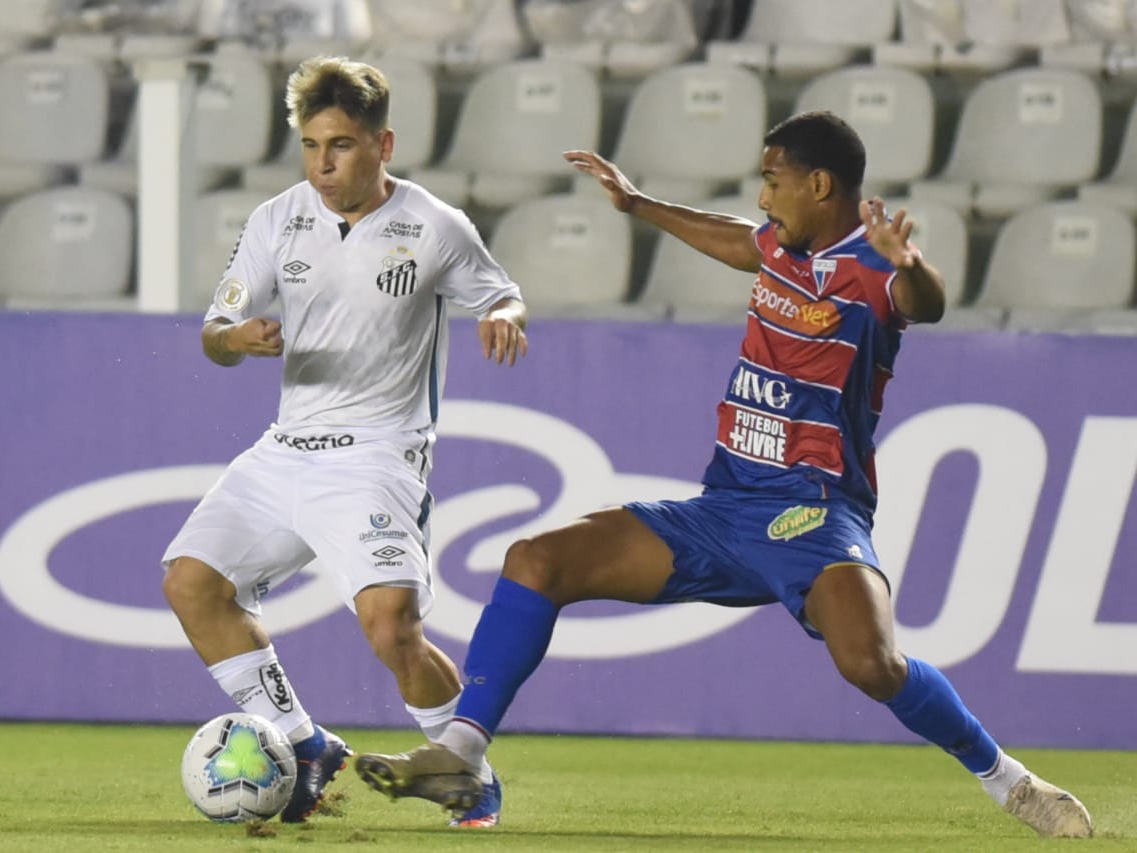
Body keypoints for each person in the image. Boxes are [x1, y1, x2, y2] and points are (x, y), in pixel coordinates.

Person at [353, 111, 1094, 839]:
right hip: (723, 508)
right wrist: (639, 204)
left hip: (812, 513)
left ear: (821, 183)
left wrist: (910, 264)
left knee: (871, 664)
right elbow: (739, 242)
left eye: (773, 180)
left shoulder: (873, 271)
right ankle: (460, 755)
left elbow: (922, 303)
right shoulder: (777, 245)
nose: (764, 197)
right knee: (536, 559)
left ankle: (1012, 782)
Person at [161, 55, 527, 827]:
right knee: (191, 581)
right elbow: (212, 334)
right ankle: (304, 742)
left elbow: (501, 292)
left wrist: (502, 316)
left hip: (376, 454)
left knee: (392, 627)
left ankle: (464, 768)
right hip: (286, 446)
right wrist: (238, 338)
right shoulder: (276, 218)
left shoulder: (433, 226)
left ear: (382, 144)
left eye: (342, 146)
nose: (323, 165)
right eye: (311, 146)